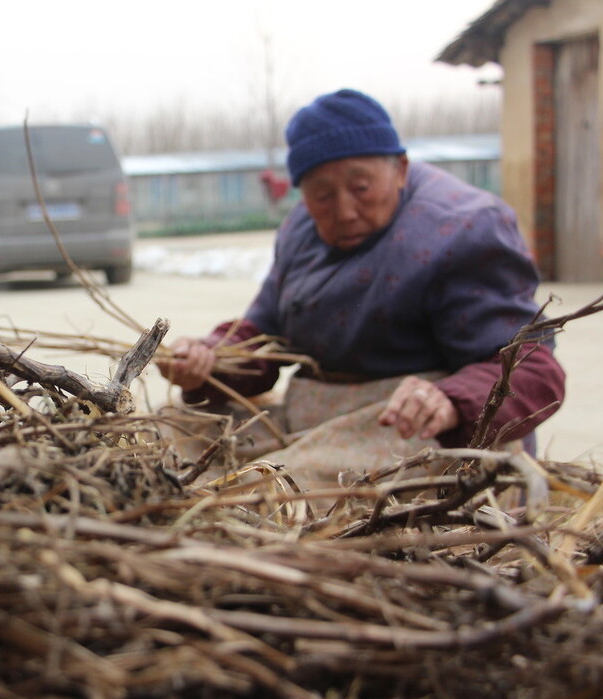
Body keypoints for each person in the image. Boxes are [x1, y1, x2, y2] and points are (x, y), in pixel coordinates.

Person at [159, 89, 566, 484]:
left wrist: (450, 401)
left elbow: (535, 369)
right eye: (322, 195)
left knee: (277, 487)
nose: (345, 211)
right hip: (313, 423)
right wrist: (209, 359)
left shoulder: (463, 229)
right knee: (165, 440)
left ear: (400, 170)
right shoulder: (300, 229)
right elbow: (266, 334)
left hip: (414, 434)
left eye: (361, 188)